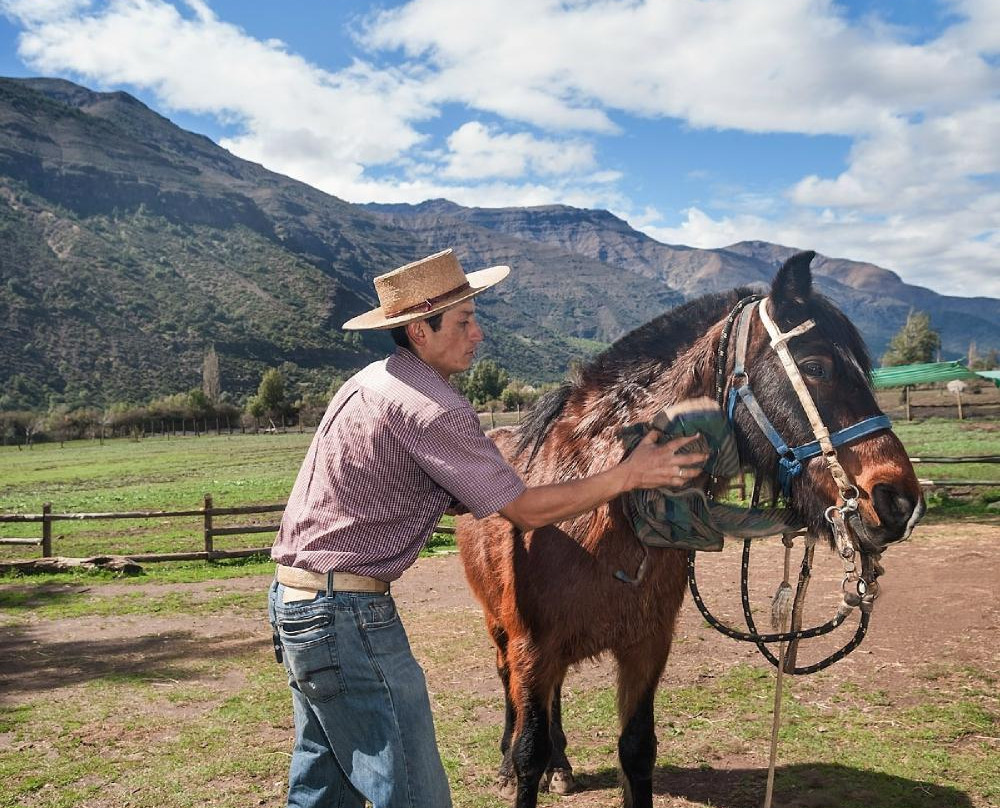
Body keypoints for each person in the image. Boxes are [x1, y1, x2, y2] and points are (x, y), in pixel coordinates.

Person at [268, 248, 708, 808]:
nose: (479, 334)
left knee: (321, 786)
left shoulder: (372, 382)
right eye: (464, 321)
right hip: (346, 616)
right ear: (419, 332)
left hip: (298, 603)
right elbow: (523, 510)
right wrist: (629, 475)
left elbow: (432, 489)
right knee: (412, 793)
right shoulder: (429, 406)